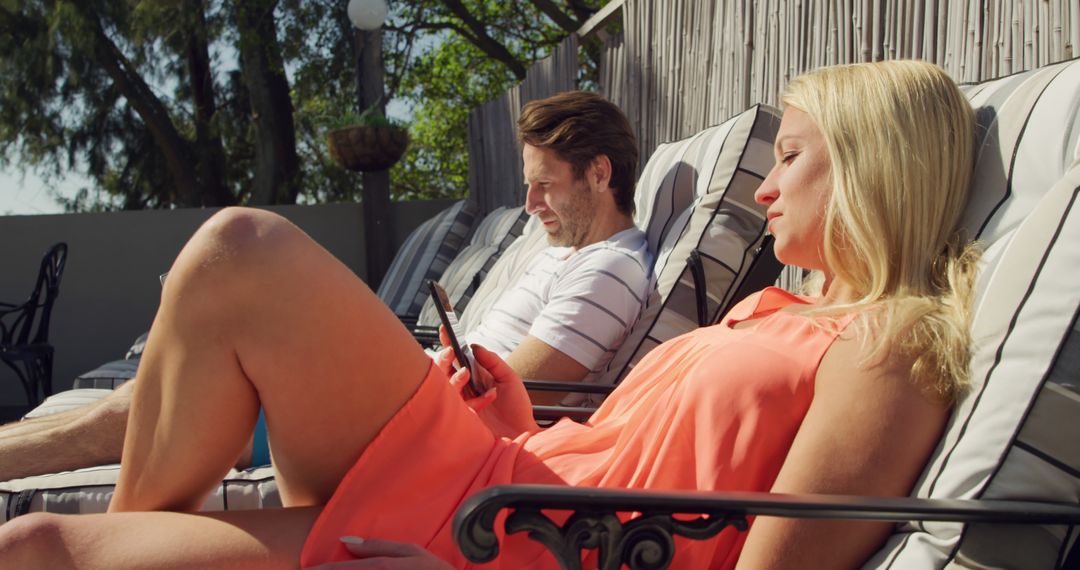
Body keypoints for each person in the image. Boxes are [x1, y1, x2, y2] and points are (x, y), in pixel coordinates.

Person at [0, 59, 979, 569]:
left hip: (504, 539)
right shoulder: (772, 310)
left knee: (239, 253)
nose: (766, 190)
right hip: (498, 483)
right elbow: (631, 453)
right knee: (33, 548)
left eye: (794, 157)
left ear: (875, 163)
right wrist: (514, 415)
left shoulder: (889, 349)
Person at [0, 90, 652, 483]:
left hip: (412, 425)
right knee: (155, 392)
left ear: (599, 173)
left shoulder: (612, 269)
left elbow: (511, 395)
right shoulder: (559, 253)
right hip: (403, 395)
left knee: (239, 258)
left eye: (545, 183)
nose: (529, 200)